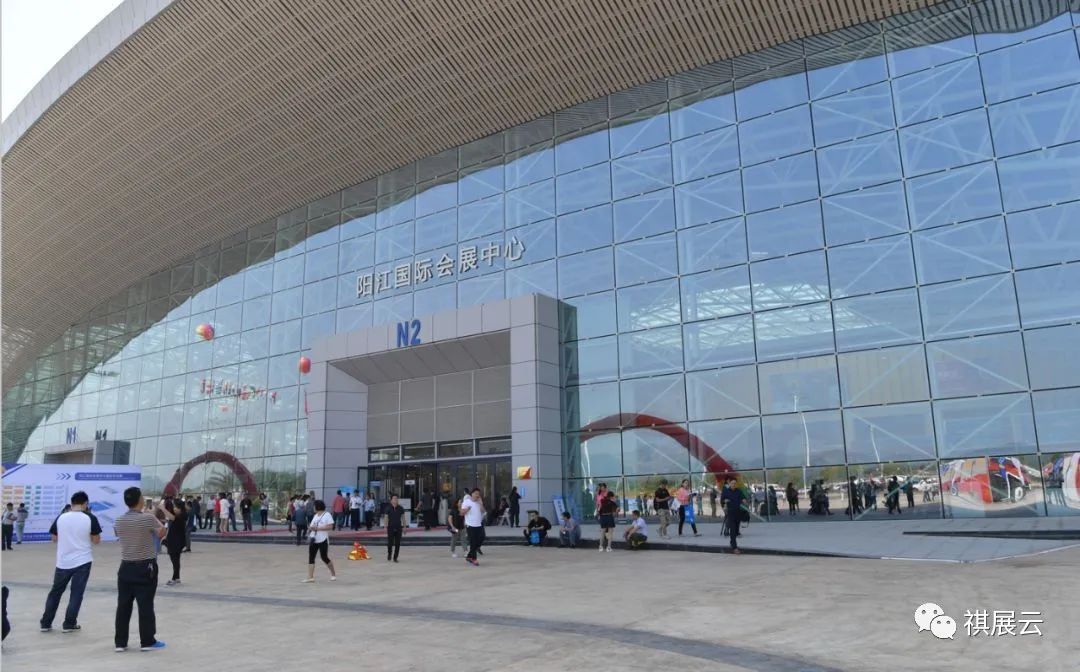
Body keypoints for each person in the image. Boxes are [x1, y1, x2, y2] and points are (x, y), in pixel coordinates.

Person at [39, 491, 101, 633]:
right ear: (85, 503)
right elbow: (96, 540)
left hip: (63, 561)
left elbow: (54, 538)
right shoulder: (90, 517)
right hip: (83, 561)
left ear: (72, 503)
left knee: (55, 592)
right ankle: (69, 624)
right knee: (76, 594)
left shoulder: (61, 517)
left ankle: (46, 623)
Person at [113, 486, 166, 652]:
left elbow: (118, 533)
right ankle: (147, 641)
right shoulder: (147, 518)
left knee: (123, 606)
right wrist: (155, 517)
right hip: (145, 567)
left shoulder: (119, 520)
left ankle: (120, 643)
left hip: (125, 567)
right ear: (140, 500)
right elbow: (161, 533)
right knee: (145, 605)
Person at [302, 500, 337, 583]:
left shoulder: (327, 515)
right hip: (314, 539)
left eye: (314, 506)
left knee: (324, 557)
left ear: (318, 506)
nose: (313, 508)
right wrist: (310, 528)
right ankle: (310, 577)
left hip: (323, 539)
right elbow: (311, 526)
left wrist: (318, 528)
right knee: (311, 557)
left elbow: (331, 527)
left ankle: (333, 574)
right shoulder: (315, 516)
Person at [157, 498, 187, 586]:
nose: (174, 509)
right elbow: (171, 519)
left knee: (175, 561)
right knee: (175, 560)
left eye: (175, 507)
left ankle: (175, 578)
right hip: (174, 541)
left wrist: (163, 508)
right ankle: (177, 578)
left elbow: (172, 517)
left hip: (176, 542)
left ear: (180, 508)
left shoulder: (181, 516)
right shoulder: (178, 516)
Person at [720, 478, 747, 555]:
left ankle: (732, 542)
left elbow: (743, 498)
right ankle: (734, 547)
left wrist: (744, 500)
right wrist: (724, 502)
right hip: (730, 513)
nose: (733, 484)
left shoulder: (739, 491)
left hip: (738, 512)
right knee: (732, 530)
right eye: (732, 483)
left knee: (736, 531)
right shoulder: (726, 491)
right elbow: (722, 500)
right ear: (729, 484)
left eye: (735, 483)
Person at [461, 488, 485, 566]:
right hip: (470, 525)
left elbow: (483, 511)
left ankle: (469, 556)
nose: (477, 495)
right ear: (472, 494)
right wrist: (467, 509)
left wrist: (481, 503)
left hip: (479, 524)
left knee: (482, 538)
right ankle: (474, 559)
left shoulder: (479, 502)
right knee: (473, 542)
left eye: (478, 494)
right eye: (476, 493)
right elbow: (462, 513)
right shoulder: (466, 502)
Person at [385, 494, 405, 563]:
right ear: (391, 500)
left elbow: (403, 518)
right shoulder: (388, 508)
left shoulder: (400, 508)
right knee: (390, 543)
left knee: (397, 543)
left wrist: (404, 527)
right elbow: (386, 518)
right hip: (390, 527)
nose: (395, 500)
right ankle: (389, 553)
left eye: (396, 498)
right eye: (394, 498)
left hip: (398, 527)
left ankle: (395, 557)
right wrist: (385, 526)